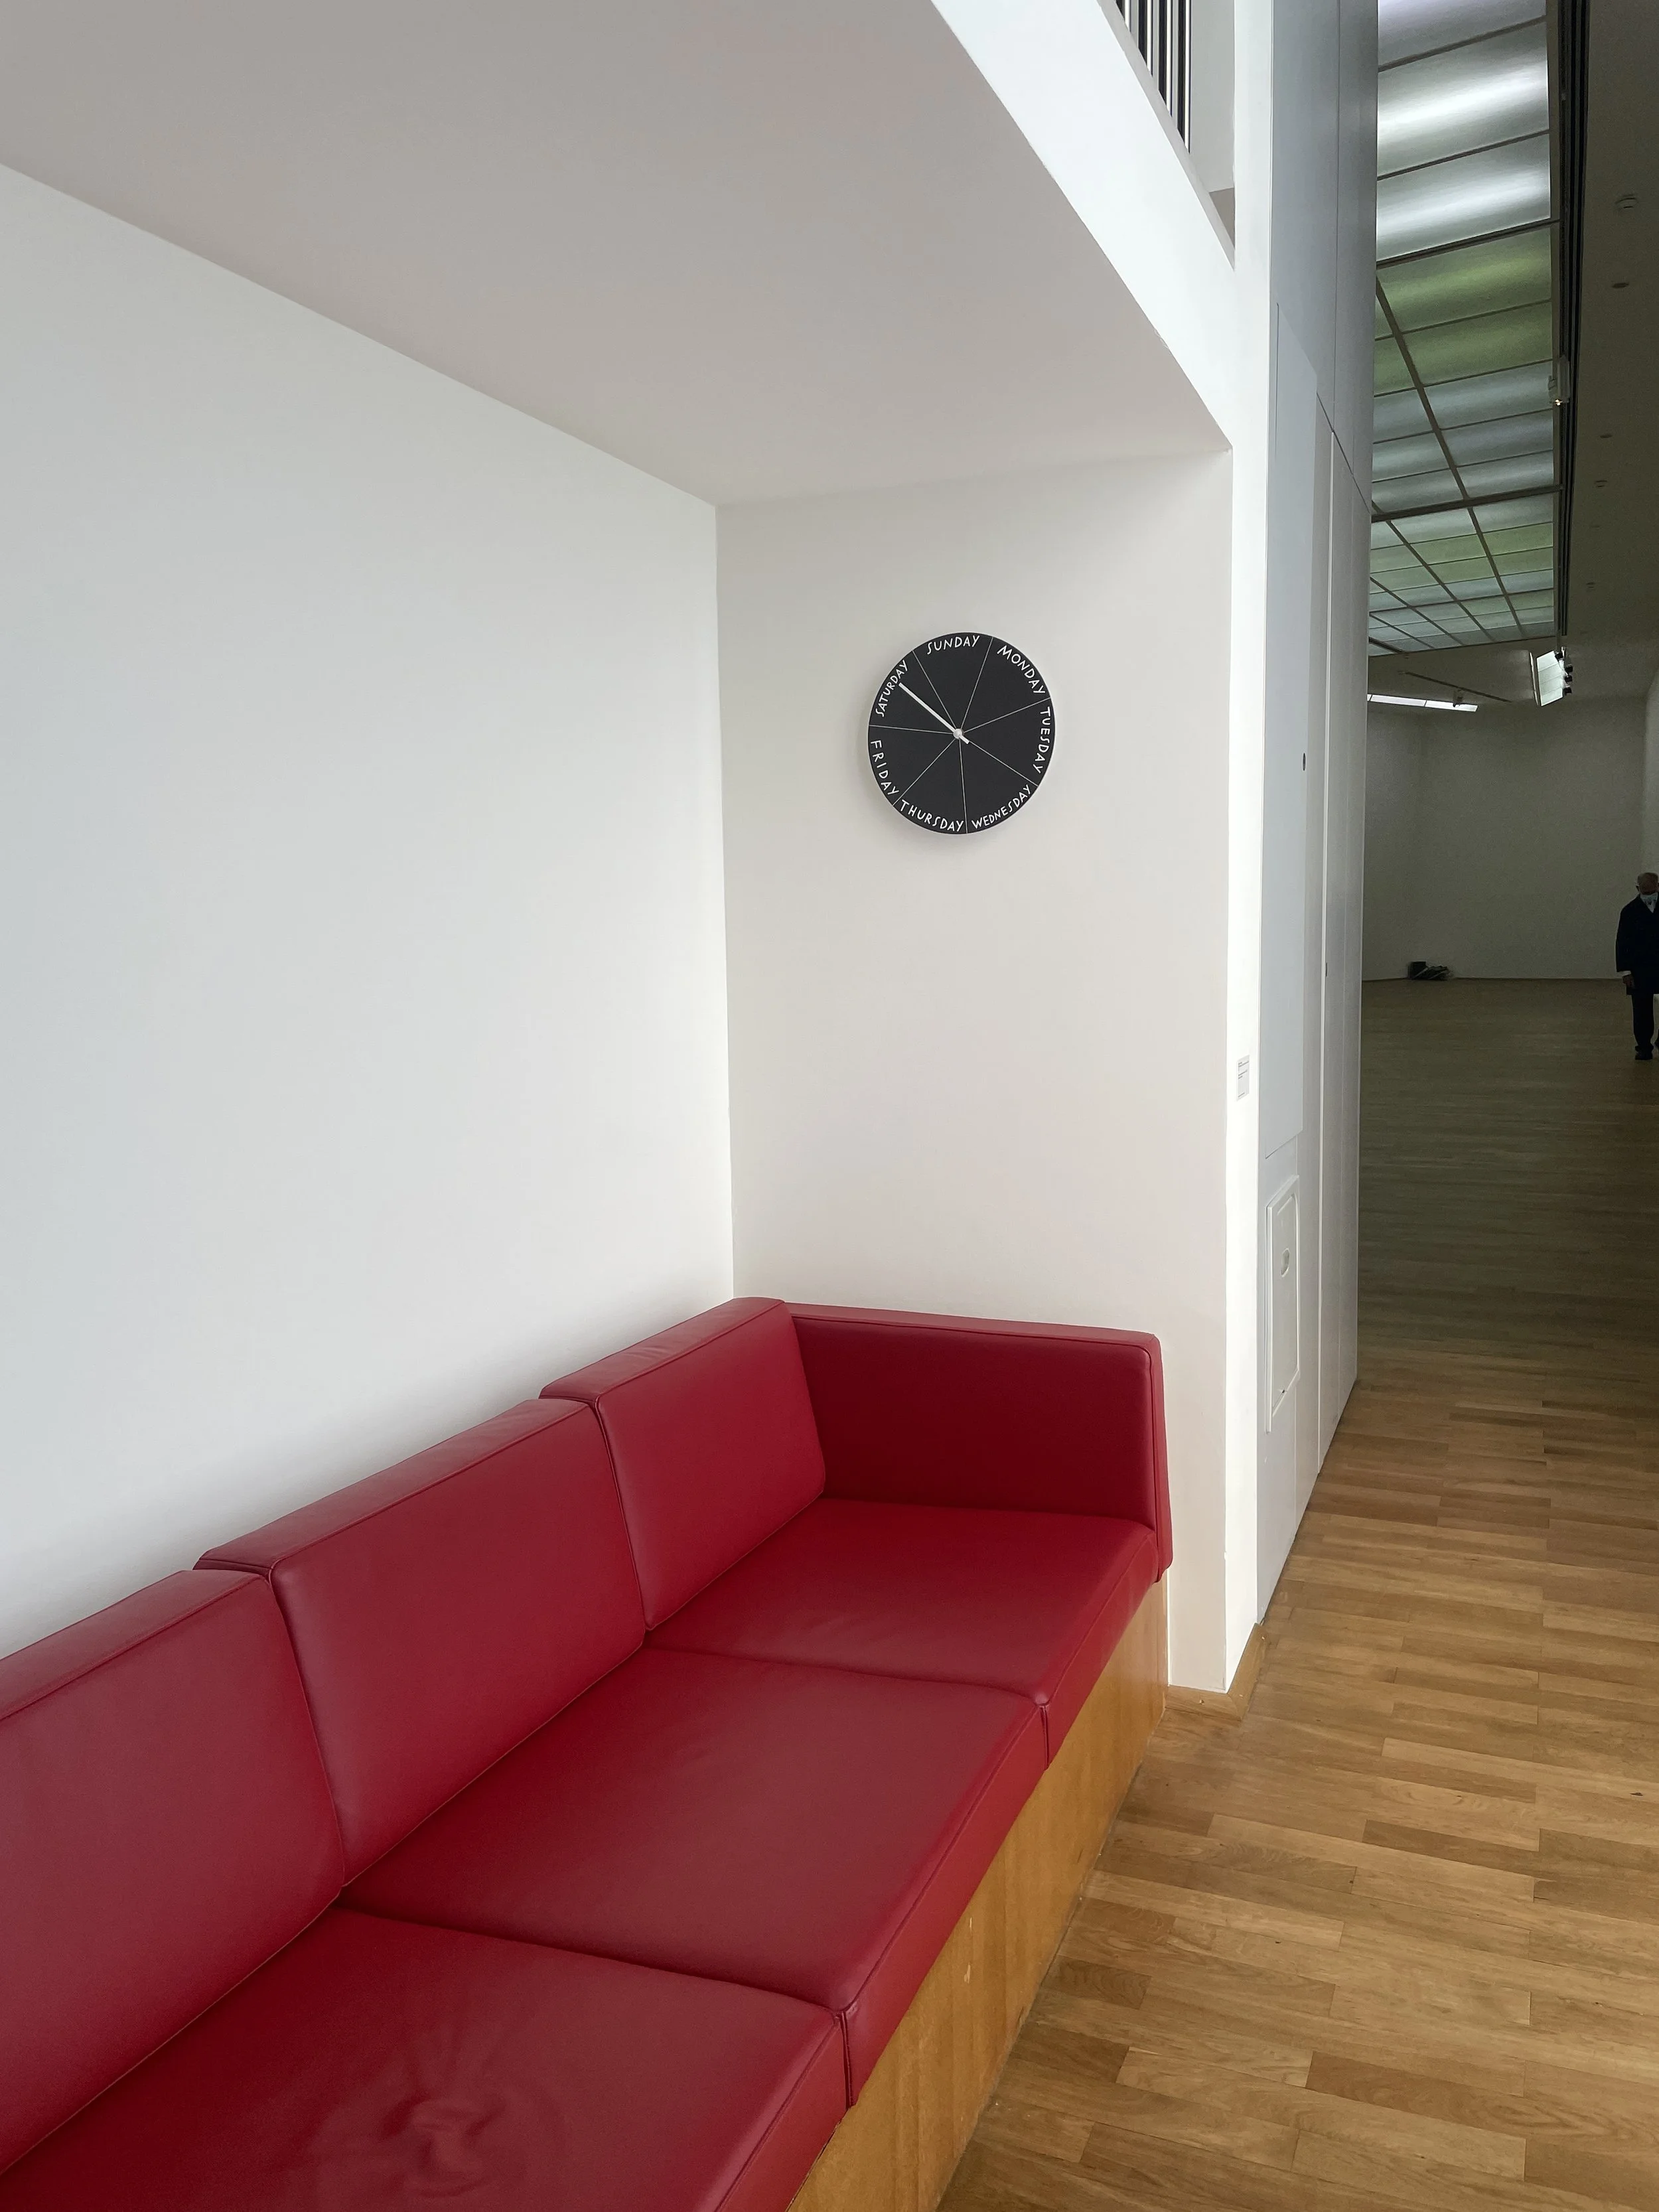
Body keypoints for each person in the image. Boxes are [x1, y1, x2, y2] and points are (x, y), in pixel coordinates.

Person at [1616, 873, 1659, 1059]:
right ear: (1637, 889)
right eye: (1645, 891)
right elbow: (1622, 943)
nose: (1648, 894)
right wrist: (1626, 971)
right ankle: (1643, 1047)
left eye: (1652, 890)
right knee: (1641, 1010)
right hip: (1640, 968)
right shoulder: (1629, 911)